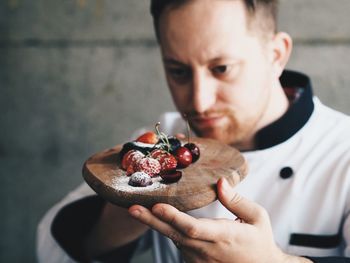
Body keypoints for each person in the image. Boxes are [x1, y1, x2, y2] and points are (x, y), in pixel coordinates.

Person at [37, 0, 350, 262]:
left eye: (221, 68)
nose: (199, 101)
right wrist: (135, 199)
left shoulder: (342, 151)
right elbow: (49, 247)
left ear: (276, 55)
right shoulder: (159, 142)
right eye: (178, 71)